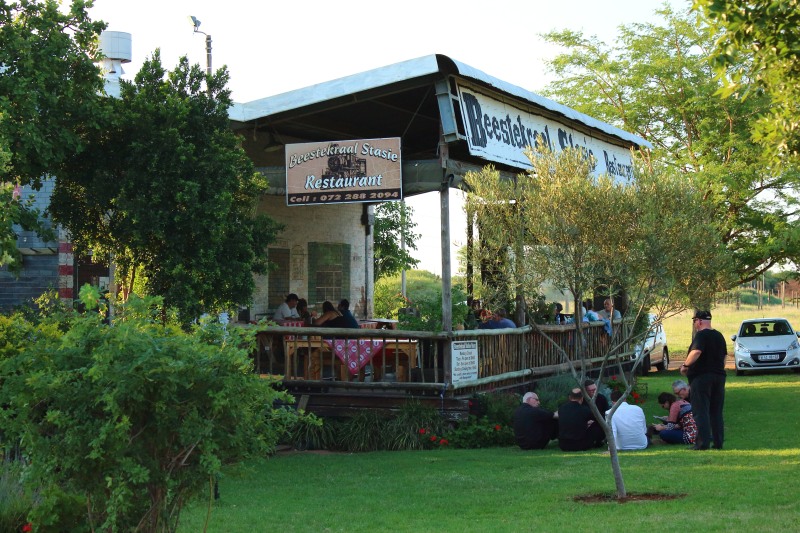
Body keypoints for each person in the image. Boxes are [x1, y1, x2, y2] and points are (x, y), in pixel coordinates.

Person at [680, 310, 727, 450]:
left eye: (694, 321)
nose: (695, 324)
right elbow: (724, 357)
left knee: (701, 411)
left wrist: (685, 366)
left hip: (701, 378)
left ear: (698, 321)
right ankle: (718, 442)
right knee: (716, 411)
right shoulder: (719, 336)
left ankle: (702, 443)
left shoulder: (701, 335)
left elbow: (696, 352)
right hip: (719, 377)